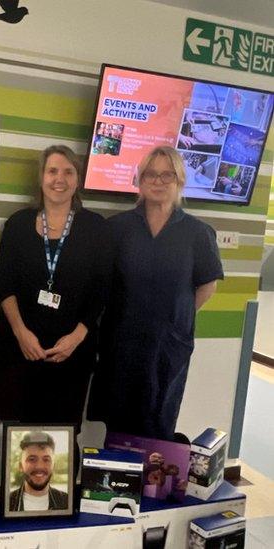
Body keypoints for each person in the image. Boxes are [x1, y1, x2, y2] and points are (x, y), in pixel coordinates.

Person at [88, 146, 223, 440]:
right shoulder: (117, 229)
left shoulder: (198, 233)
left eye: (167, 175)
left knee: (157, 426)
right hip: (121, 344)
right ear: (139, 180)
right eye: (151, 174)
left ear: (180, 180)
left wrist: (174, 318)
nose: (158, 181)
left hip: (167, 348)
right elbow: (103, 285)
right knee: (116, 425)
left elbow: (207, 286)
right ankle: (115, 487)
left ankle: (149, 487)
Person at [0, 145, 111, 431]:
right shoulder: (18, 224)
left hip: (71, 352)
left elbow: (102, 290)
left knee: (64, 435)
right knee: (21, 438)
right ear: (41, 177)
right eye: (52, 170)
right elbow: (4, 284)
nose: (60, 179)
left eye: (69, 172)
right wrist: (21, 333)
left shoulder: (96, 228)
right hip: (22, 348)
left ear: (77, 180)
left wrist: (76, 338)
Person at [9, 431, 68, 512]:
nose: (39, 466)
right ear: (20, 466)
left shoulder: (66, 501)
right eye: (32, 459)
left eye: (46, 460)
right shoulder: (8, 502)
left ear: (53, 466)